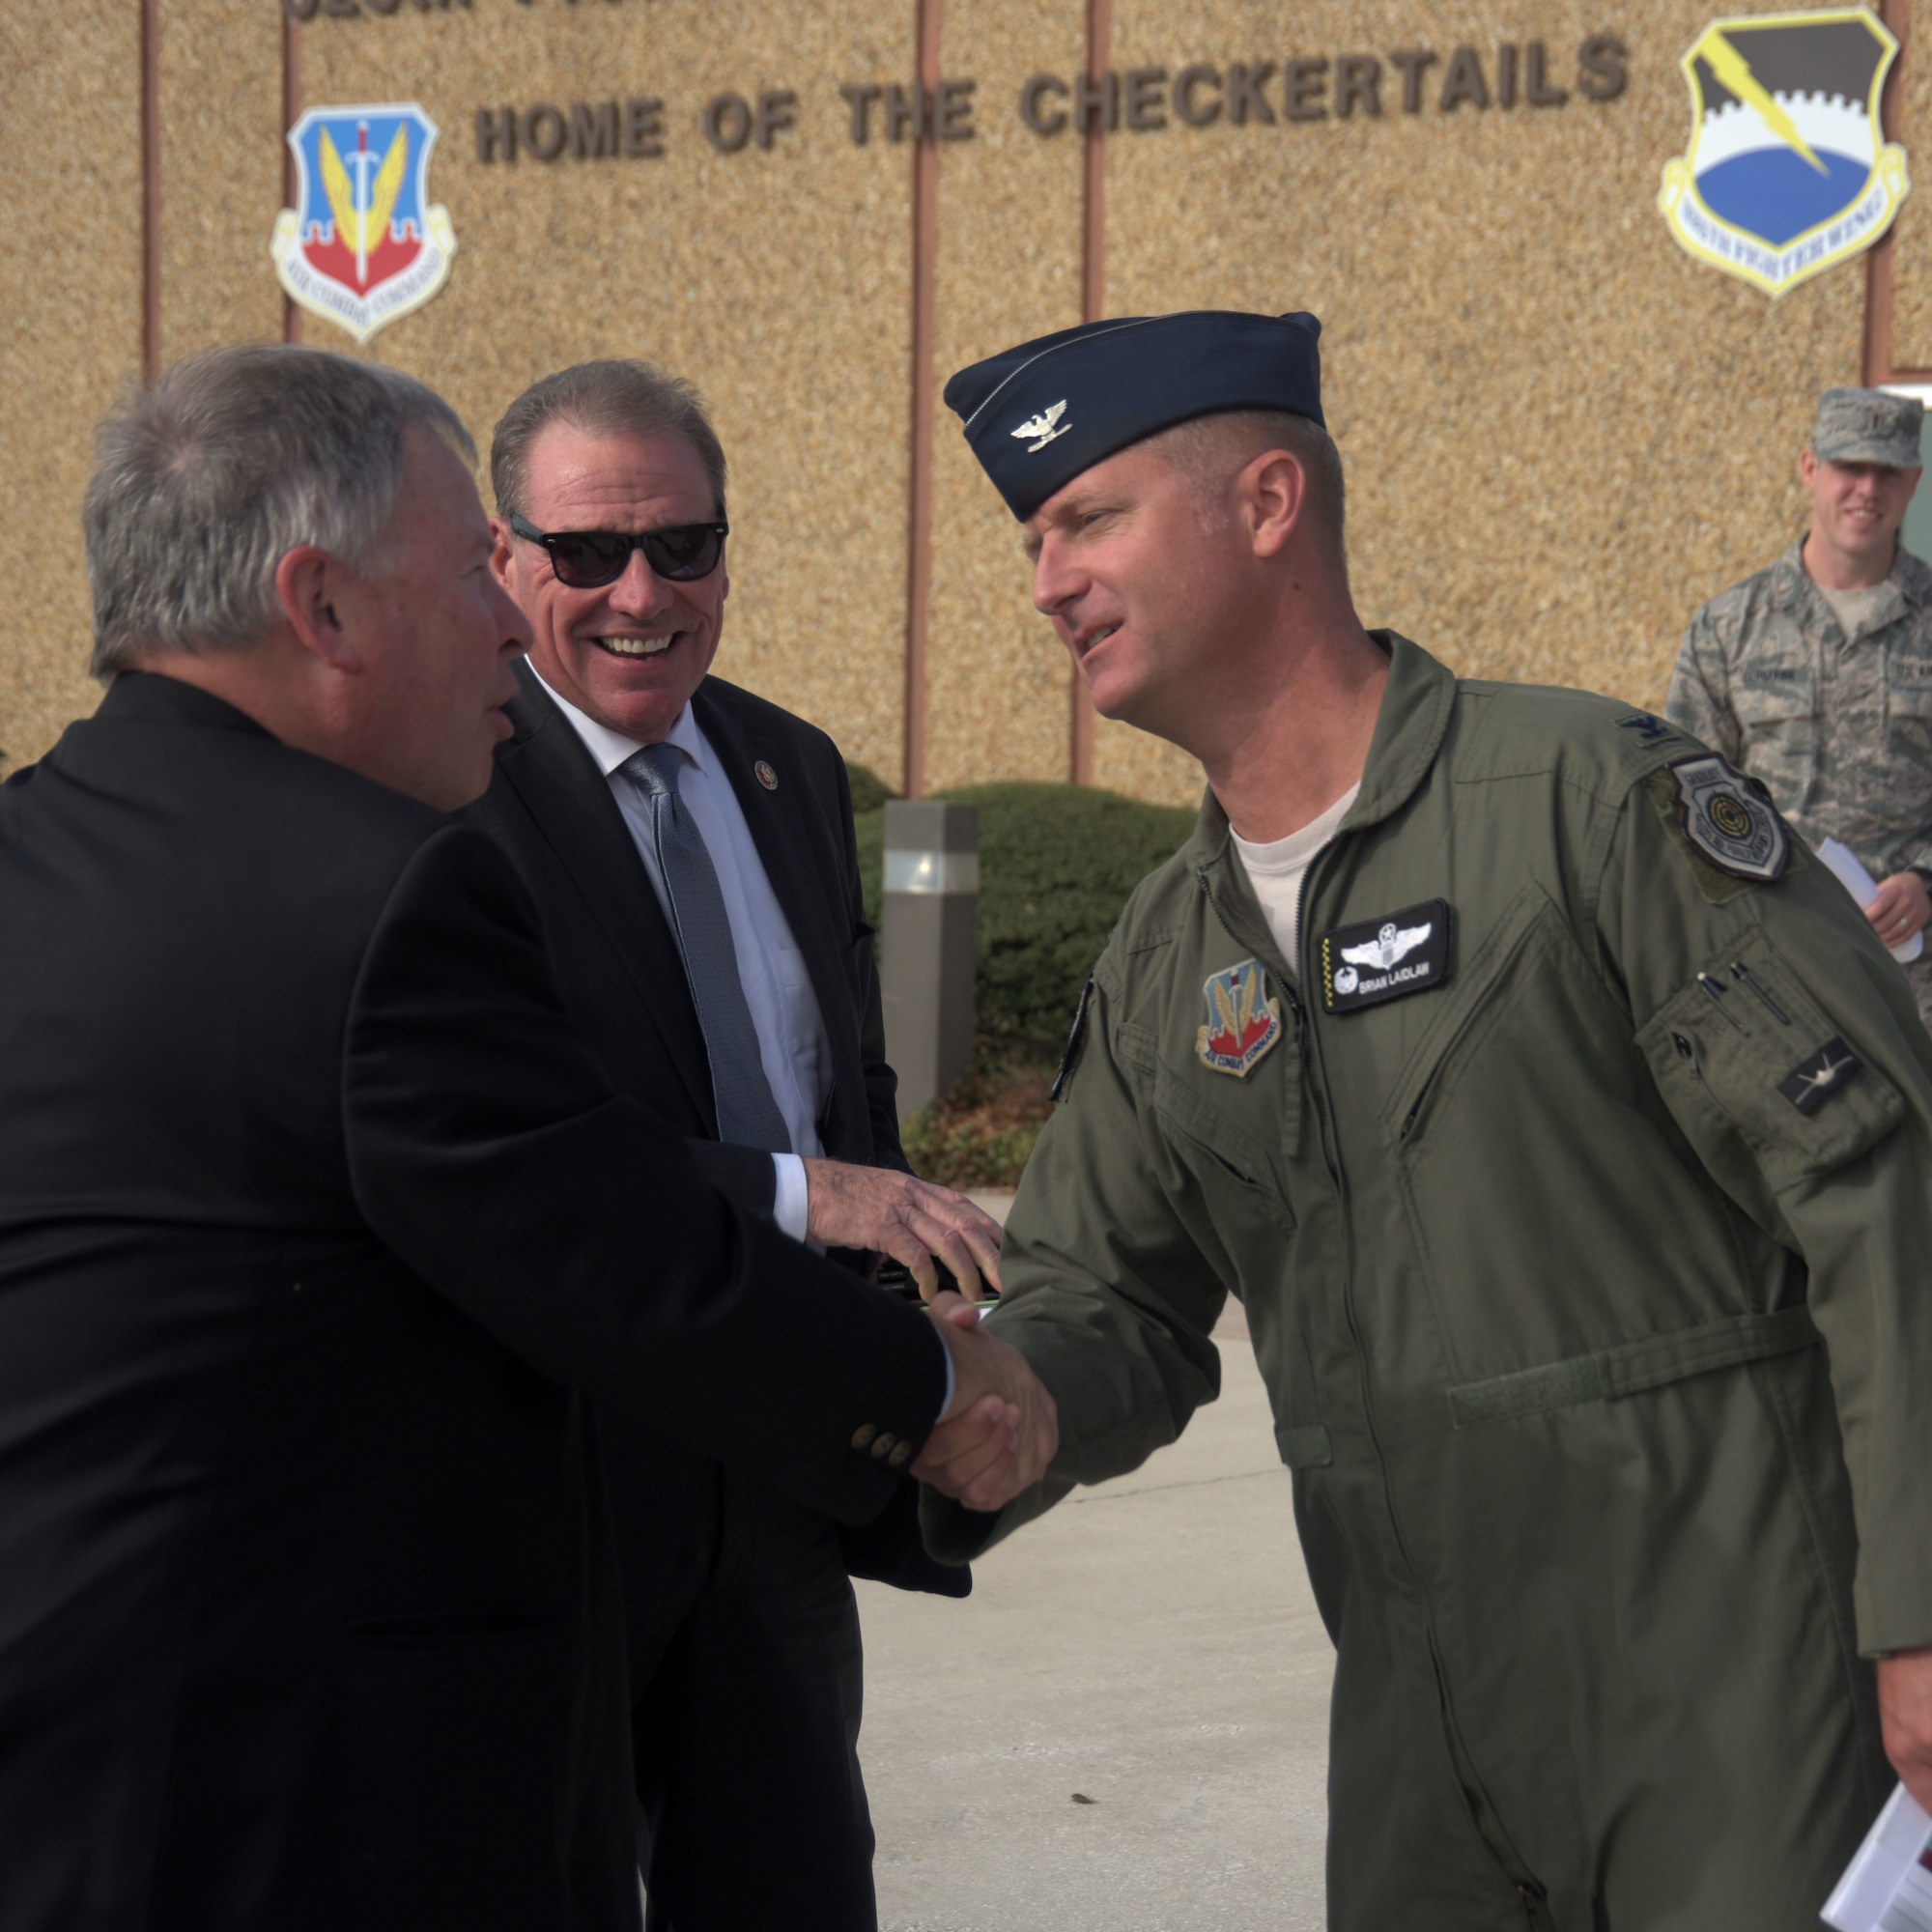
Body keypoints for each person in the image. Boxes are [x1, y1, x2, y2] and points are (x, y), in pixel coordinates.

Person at [0, 344, 1052, 1932]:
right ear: (322, 605)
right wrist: (934, 1388)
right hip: (316, 1793)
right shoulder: (383, 892)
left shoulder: (36, 849)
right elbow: (614, 1250)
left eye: (682, 544)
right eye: (475, 573)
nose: (509, 619)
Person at [912, 310, 1932, 1931]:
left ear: (1266, 504)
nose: (1046, 581)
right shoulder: (1174, 949)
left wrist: (1922, 1615)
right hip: (1421, 1743)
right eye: (1033, 539)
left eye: (1089, 520)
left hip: (1743, 1711)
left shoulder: (1594, 806)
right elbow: (1102, 1298)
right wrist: (1000, 1405)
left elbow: (1882, 1196)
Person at [469, 358, 1004, 1930]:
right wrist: (798, 1196)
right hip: (551, 1485)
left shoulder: (787, 768)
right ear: (505, 561)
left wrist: (927, 1341)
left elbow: (847, 1105)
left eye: (683, 547)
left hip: (776, 1478)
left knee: (793, 1892)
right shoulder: (451, 794)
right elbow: (504, 1157)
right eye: (585, 554)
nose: (642, 593)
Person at [1668, 385, 1932, 1031]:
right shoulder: (1730, 628)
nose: (1867, 489)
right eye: (1850, 467)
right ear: (1811, 469)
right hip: (1773, 971)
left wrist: (1927, 882)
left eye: (1888, 472)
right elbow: (1681, 797)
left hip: (1915, 981)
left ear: (1914, 482)